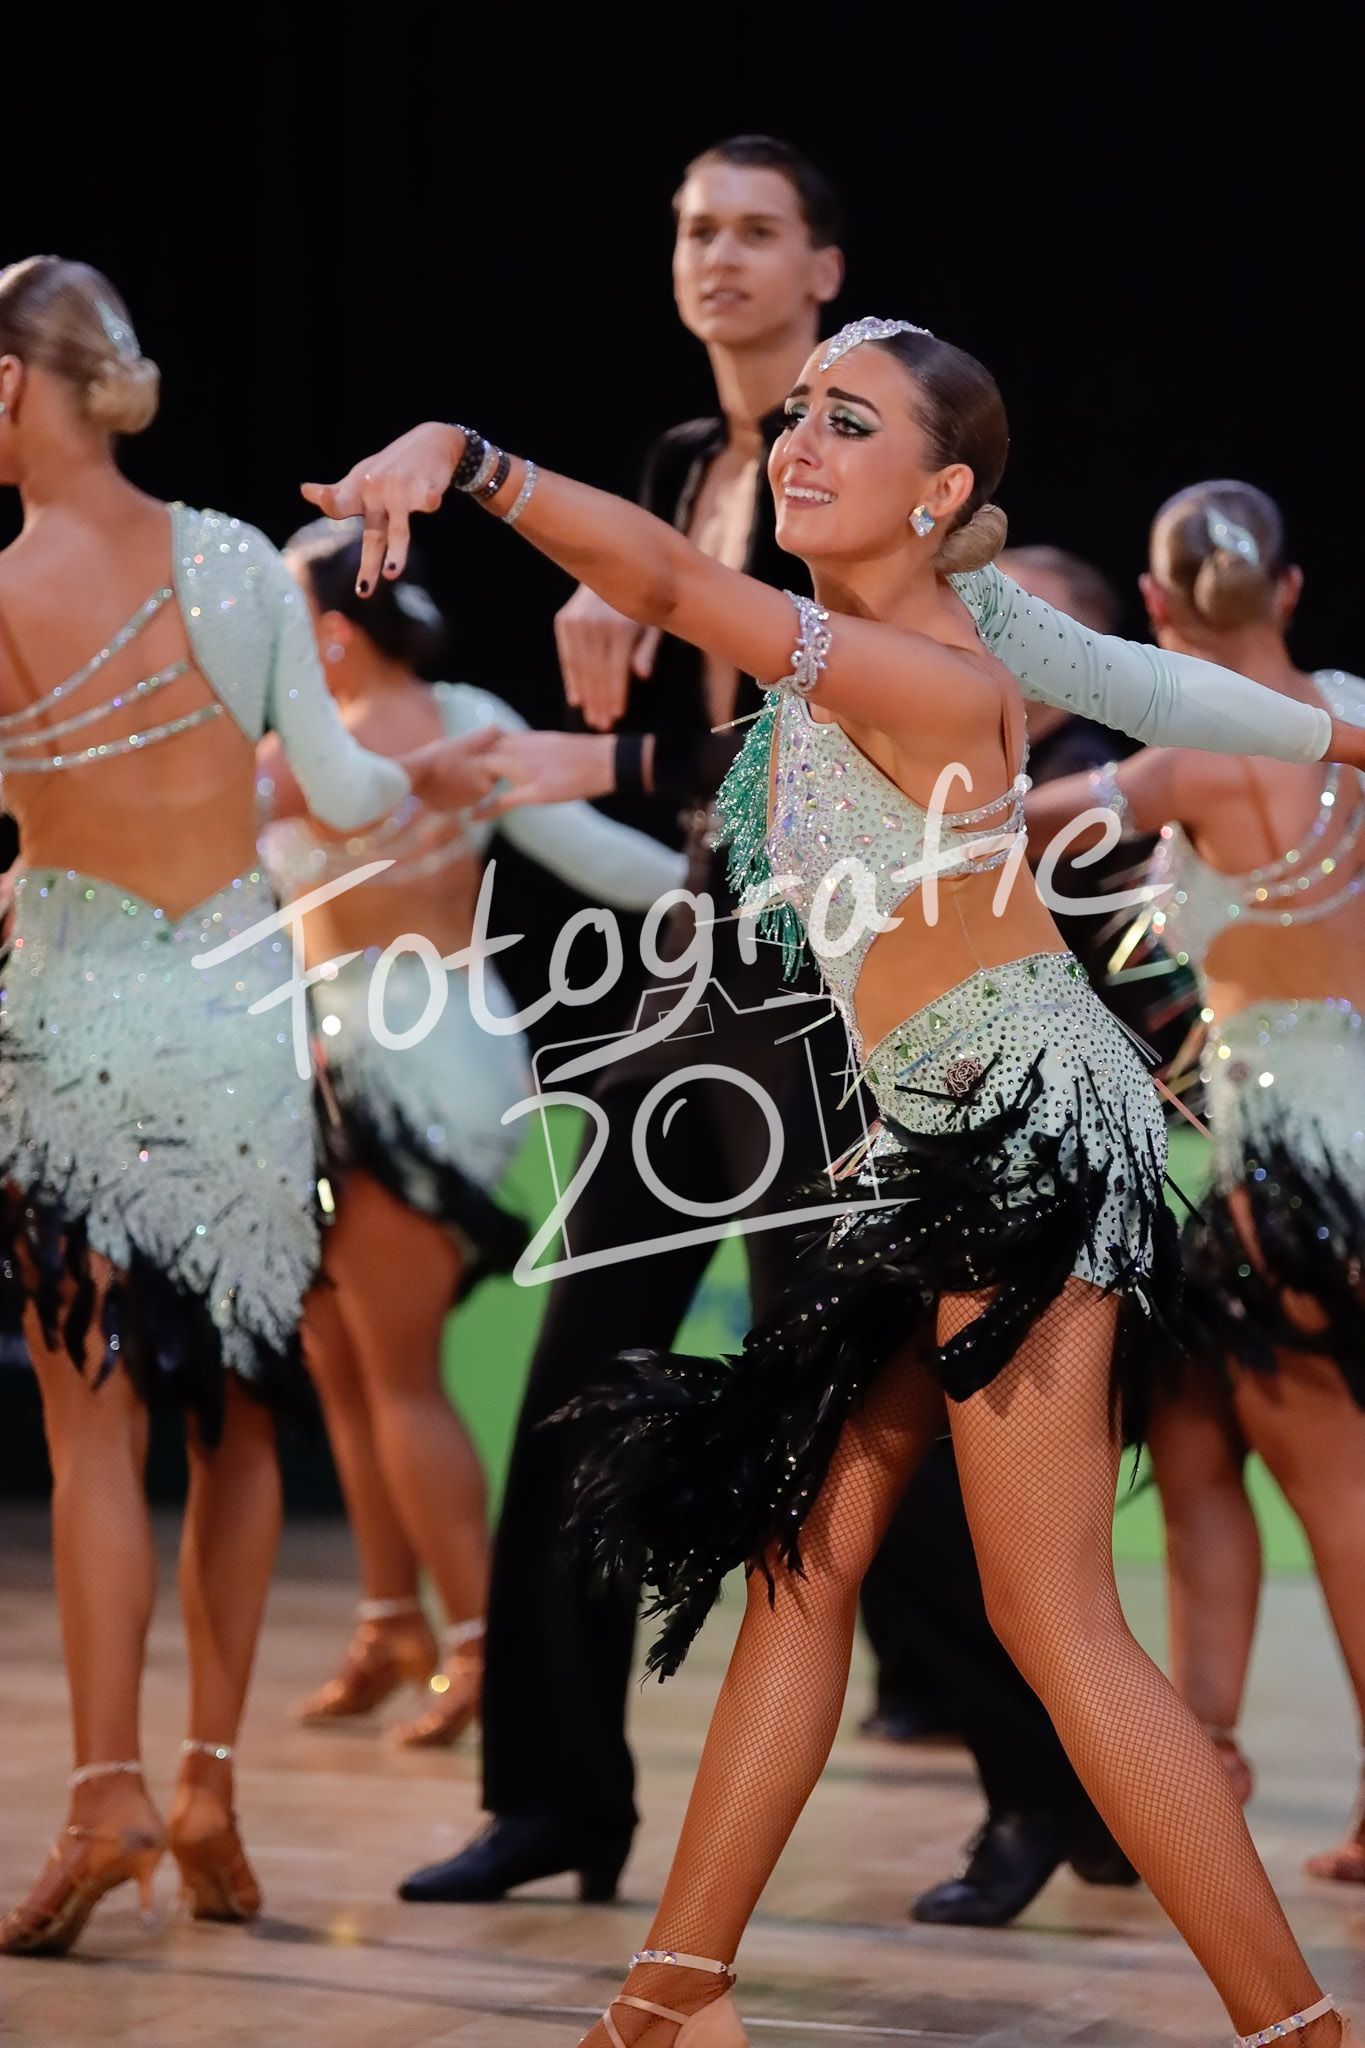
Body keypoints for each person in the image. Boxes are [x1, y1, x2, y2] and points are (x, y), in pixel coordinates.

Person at [305, 321, 1365, 2048]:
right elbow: (1162, 689)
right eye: (798, 414)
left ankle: (1293, 2029)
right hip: (931, 1143)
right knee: (802, 1562)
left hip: (1020, 1135)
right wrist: (1349, 742)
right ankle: (671, 1994)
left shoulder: (918, 663)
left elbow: (665, 576)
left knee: (1054, 1618)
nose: (799, 442)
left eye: (847, 423)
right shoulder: (960, 622)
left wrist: (473, 461)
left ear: (939, 491)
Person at [382, 134, 865, 1907]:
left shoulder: (862, 445)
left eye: (754, 231)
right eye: (692, 229)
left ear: (823, 269)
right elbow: (673, 607)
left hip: (836, 971)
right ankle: (557, 1797)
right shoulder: (681, 462)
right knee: (586, 1376)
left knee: (841, 1396)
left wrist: (616, 750)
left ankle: (1050, 1777)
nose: (715, 256)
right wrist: (629, 585)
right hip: (697, 958)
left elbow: (855, 727)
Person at [0, 257, 493, 1957]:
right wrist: (431, 770)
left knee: (93, 1429)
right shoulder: (232, 558)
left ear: (13, 386)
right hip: (236, 1026)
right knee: (236, 1418)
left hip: (70, 1020)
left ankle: (106, 1795)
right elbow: (344, 790)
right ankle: (209, 1787)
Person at [262, 517, 687, 1746]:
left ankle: (481, 1642)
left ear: (329, 630)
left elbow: (595, 853)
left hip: (413, 1051)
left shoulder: (434, 724)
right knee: (339, 1355)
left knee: (395, 1367)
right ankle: (390, 1620)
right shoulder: (300, 741)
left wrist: (730, 883)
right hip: (321, 1048)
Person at [1025, 480, 1365, 1886]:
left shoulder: (1183, 762)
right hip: (1337, 1126)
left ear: (1156, 608)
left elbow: (1013, 820)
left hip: (1282, 1158)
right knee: (1195, 1436)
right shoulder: (1350, 715)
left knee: (1333, 1481)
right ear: (1287, 589)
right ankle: (1204, 1743)